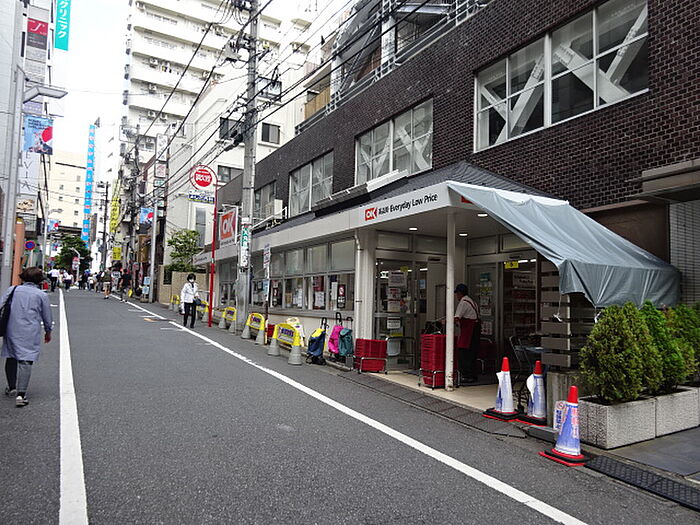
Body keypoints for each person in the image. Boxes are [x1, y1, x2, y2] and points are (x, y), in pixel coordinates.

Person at [1, 267, 53, 407]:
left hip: (11, 328)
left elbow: (1, 305)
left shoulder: (13, 290)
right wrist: (48, 331)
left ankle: (12, 387)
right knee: (26, 360)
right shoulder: (41, 295)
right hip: (30, 331)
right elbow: (47, 317)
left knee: (11, 356)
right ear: (39, 280)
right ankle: (21, 394)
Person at [454, 283, 481, 384]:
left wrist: (446, 322)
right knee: (472, 353)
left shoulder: (463, 302)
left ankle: (466, 375)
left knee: (463, 353)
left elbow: (457, 317)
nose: (456, 296)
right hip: (475, 330)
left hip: (469, 332)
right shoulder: (473, 302)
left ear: (460, 293)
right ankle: (473, 375)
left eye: (457, 294)